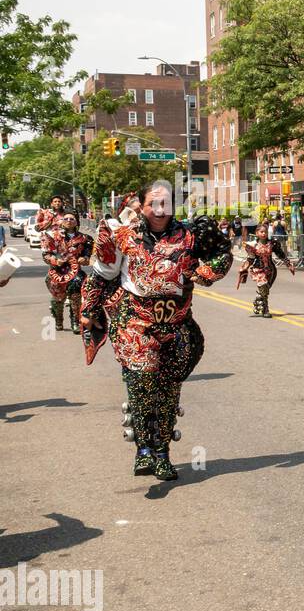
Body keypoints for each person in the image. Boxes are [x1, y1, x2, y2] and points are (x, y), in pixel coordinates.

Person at [80, 182, 233, 481]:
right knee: (142, 380)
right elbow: (102, 274)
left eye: (165, 204)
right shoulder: (123, 235)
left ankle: (162, 453)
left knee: (167, 390)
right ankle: (143, 450)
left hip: (176, 324)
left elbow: (223, 253)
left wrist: (206, 272)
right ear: (142, 205)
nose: (159, 210)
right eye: (153, 204)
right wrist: (88, 310)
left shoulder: (192, 234)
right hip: (136, 322)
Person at [42, 205, 91, 333]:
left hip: (75, 272)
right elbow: (46, 255)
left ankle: (76, 321)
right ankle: (58, 320)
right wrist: (55, 260)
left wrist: (84, 259)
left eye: (72, 219)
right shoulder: (53, 236)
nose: (69, 221)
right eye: (66, 219)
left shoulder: (84, 239)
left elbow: (87, 257)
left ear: (76, 222)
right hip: (57, 271)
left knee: (76, 291)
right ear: (62, 221)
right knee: (58, 298)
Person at [238, 223, 296, 317]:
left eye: (265, 232)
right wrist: (244, 267)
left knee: (265, 290)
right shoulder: (253, 245)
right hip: (258, 270)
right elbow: (250, 259)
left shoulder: (272, 243)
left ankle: (259, 299)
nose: (264, 234)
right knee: (263, 286)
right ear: (257, 233)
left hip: (271, 270)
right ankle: (265, 309)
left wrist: (289, 265)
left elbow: (280, 254)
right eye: (261, 232)